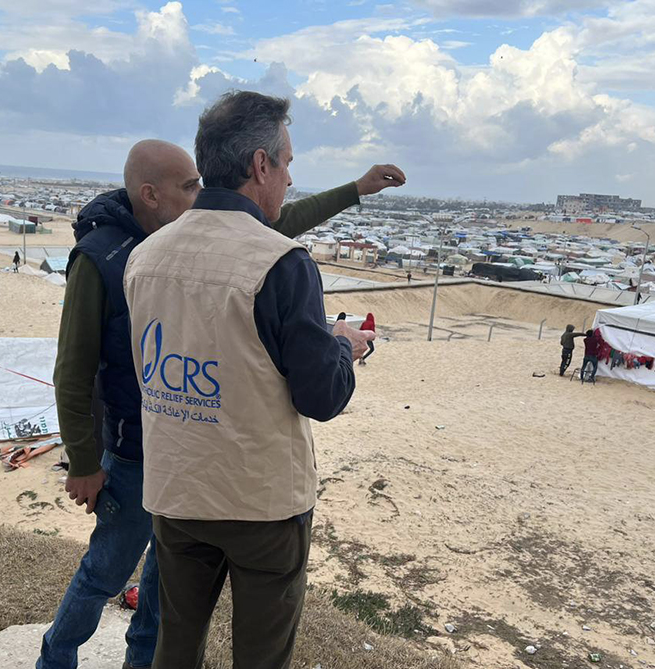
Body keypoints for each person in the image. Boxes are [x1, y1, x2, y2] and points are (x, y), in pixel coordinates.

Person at [39, 138, 404, 669]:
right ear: (150, 194)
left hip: (182, 462)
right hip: (138, 455)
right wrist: (85, 462)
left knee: (167, 609)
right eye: (189, 187)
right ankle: (56, 658)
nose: (200, 195)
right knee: (106, 572)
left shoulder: (167, 246)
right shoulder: (106, 258)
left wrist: (356, 189)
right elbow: (72, 369)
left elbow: (270, 222)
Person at [124, 91, 377, 669]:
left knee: (176, 643)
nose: (290, 178)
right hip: (259, 500)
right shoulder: (282, 261)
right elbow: (321, 396)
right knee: (261, 657)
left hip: (177, 488)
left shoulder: (147, 255)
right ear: (260, 165)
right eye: (286, 163)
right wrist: (343, 347)